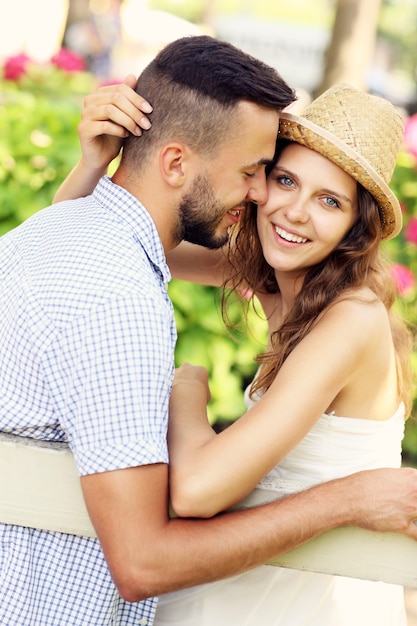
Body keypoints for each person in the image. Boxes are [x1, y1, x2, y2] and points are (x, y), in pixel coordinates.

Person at [55, 76, 417, 625]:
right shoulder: (275, 274)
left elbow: (198, 490)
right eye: (286, 180)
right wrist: (94, 162)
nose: (295, 212)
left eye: (329, 200)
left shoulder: (352, 320)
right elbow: (91, 241)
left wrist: (186, 387)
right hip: (251, 583)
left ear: (355, 226)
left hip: (309, 605)